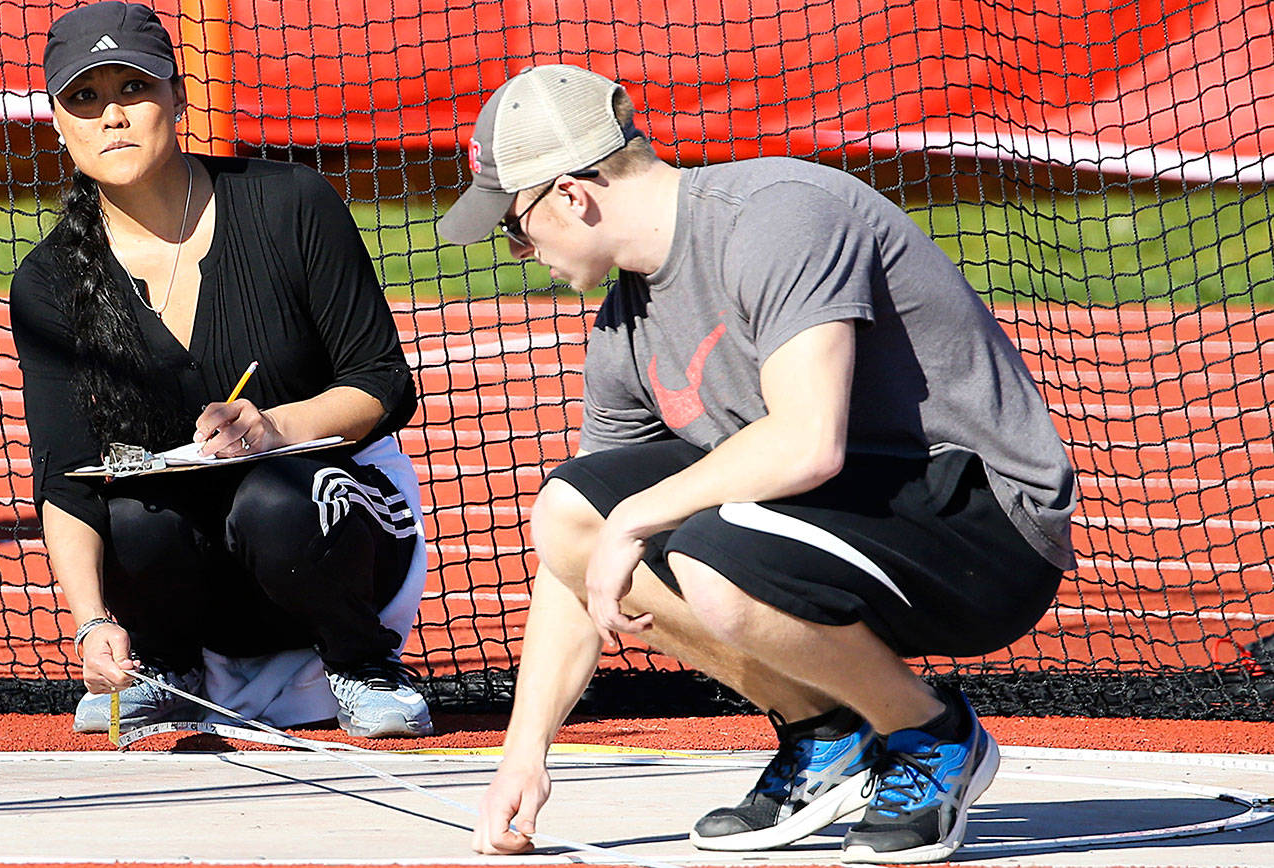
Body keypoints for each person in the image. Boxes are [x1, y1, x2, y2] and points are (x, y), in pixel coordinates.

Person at [437, 65, 1075, 863]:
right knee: (570, 510)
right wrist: (524, 754)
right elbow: (578, 551)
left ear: (572, 194)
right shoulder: (622, 326)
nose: (518, 248)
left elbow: (809, 440)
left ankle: (931, 735)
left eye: (514, 224)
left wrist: (639, 517)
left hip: (982, 524)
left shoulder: (774, 216)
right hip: (839, 515)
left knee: (708, 555)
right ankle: (826, 727)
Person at [11, 1, 433, 738]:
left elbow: (383, 382)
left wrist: (276, 426)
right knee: (135, 509)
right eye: (85, 97)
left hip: (333, 529)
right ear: (58, 121)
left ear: (178, 96)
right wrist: (90, 624)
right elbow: (66, 477)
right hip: (197, 583)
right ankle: (170, 668)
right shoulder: (48, 282)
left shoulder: (291, 203)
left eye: (133, 89)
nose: (112, 116)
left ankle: (362, 663)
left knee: (272, 499)